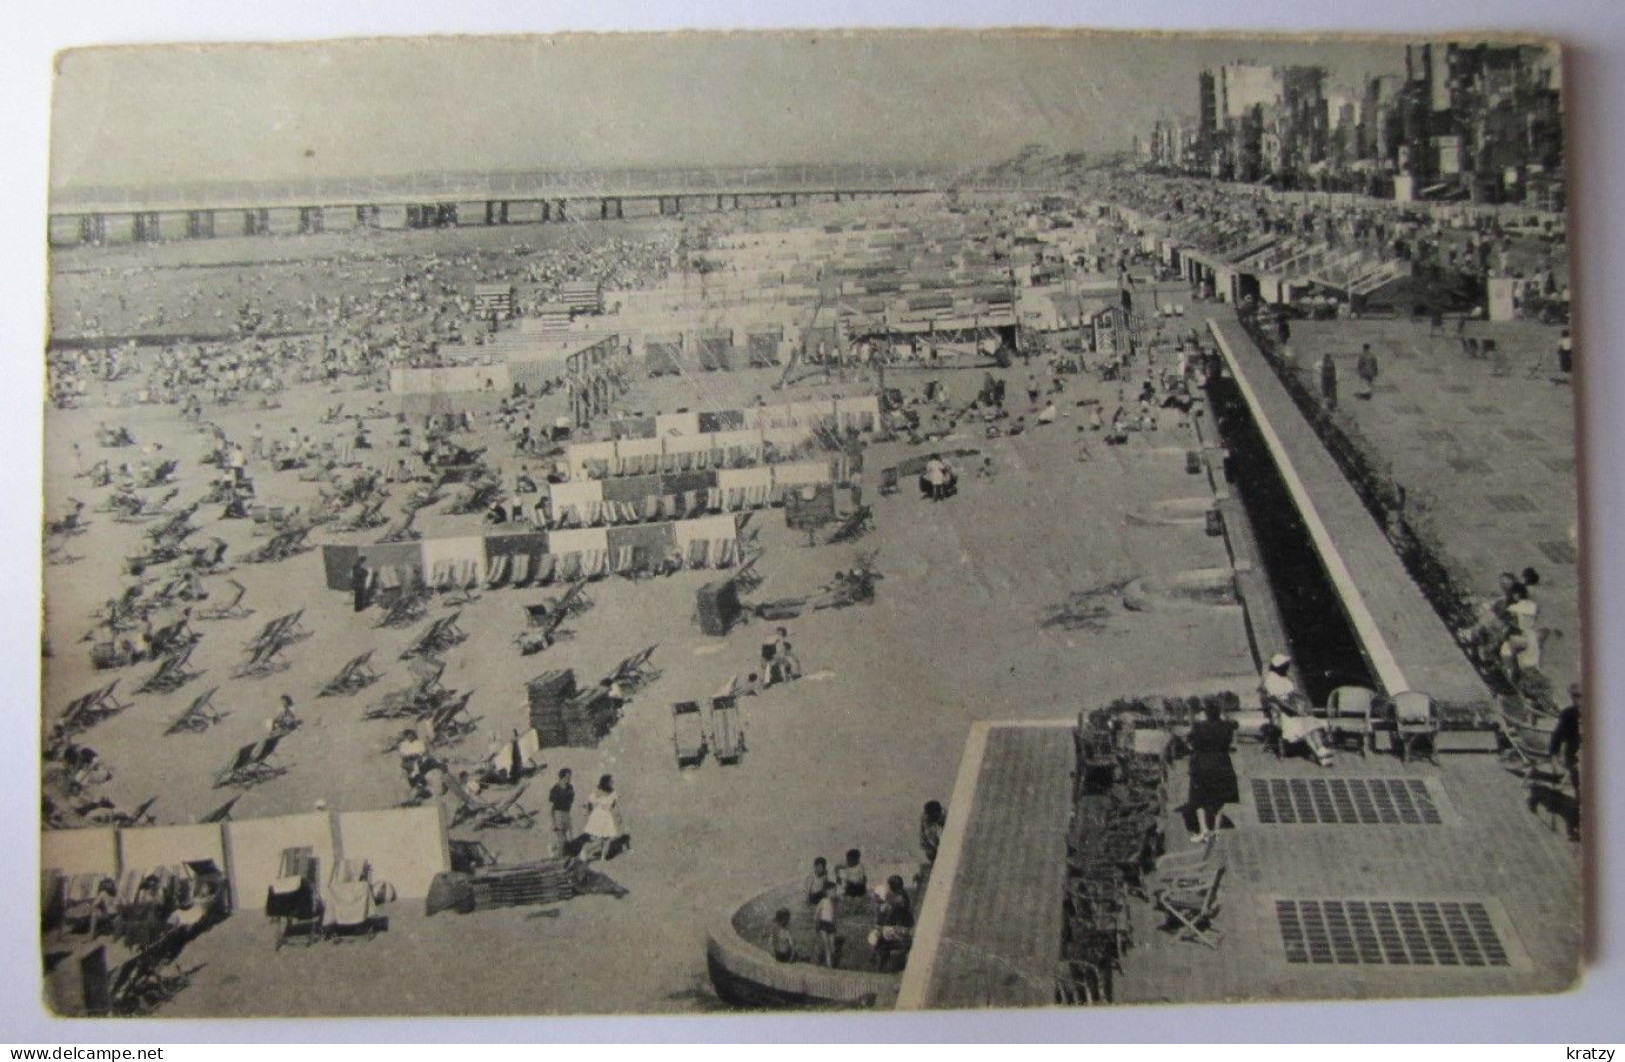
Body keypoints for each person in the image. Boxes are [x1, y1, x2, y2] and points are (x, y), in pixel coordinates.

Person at [1260, 653, 1333, 766]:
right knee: (1305, 724)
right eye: (1285, 664)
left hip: (1292, 710)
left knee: (1309, 721)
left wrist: (1303, 703)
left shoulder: (1284, 676)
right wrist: (1296, 711)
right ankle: (1319, 753)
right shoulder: (1271, 680)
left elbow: (1292, 694)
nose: (1287, 666)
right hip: (1283, 714)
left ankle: (1321, 750)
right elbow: (1278, 701)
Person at [1185, 701, 1240, 843]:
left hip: (1202, 764)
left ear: (1207, 712)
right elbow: (1230, 743)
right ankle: (1216, 831)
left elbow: (1190, 743)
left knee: (1198, 799)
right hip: (1222, 764)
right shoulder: (1227, 727)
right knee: (1220, 799)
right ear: (1219, 711)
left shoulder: (1199, 726)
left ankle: (1204, 831)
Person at [868, 875, 915, 971]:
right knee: (879, 936)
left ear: (892, 886)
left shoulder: (900, 896)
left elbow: (894, 904)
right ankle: (876, 961)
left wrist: (884, 899)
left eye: (888, 885)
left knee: (878, 934)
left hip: (903, 930)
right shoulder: (899, 895)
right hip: (899, 929)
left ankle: (873, 955)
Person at [581, 774, 626, 861]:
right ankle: (585, 850)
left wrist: (618, 816)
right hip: (598, 816)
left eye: (613, 781)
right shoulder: (598, 792)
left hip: (608, 817)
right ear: (606, 782)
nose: (613, 783)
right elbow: (588, 802)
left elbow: (614, 806)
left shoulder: (613, 793)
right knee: (600, 840)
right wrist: (588, 812)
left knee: (608, 838)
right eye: (611, 781)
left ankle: (603, 858)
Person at [548, 768, 576, 855]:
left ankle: (552, 847)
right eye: (567, 777)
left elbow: (570, 802)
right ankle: (559, 857)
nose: (569, 779)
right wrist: (552, 821)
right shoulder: (555, 789)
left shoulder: (570, 788)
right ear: (562, 777)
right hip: (558, 813)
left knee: (567, 837)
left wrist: (568, 817)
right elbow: (550, 807)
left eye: (570, 777)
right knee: (562, 838)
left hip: (566, 813)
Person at [814, 882, 839, 967]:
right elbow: (817, 912)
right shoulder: (823, 901)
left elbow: (834, 914)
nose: (835, 893)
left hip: (831, 925)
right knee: (826, 944)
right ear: (827, 892)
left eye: (835, 891)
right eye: (833, 891)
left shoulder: (834, 902)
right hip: (823, 924)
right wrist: (816, 924)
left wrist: (835, 923)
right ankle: (829, 966)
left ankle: (828, 961)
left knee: (832, 946)